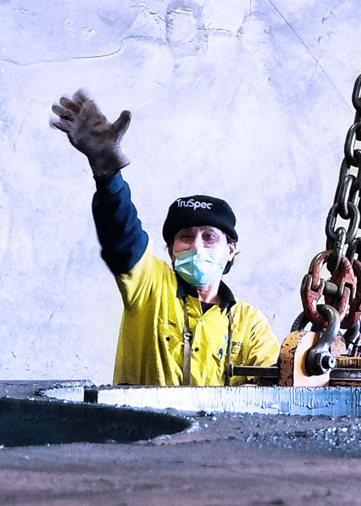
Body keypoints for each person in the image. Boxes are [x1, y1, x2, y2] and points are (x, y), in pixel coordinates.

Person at [50, 90, 280, 386]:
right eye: (185, 237)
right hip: (143, 432)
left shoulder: (251, 325)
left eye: (209, 237)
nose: (197, 246)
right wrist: (108, 175)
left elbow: (275, 387)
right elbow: (122, 235)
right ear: (171, 250)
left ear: (231, 250)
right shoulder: (150, 287)